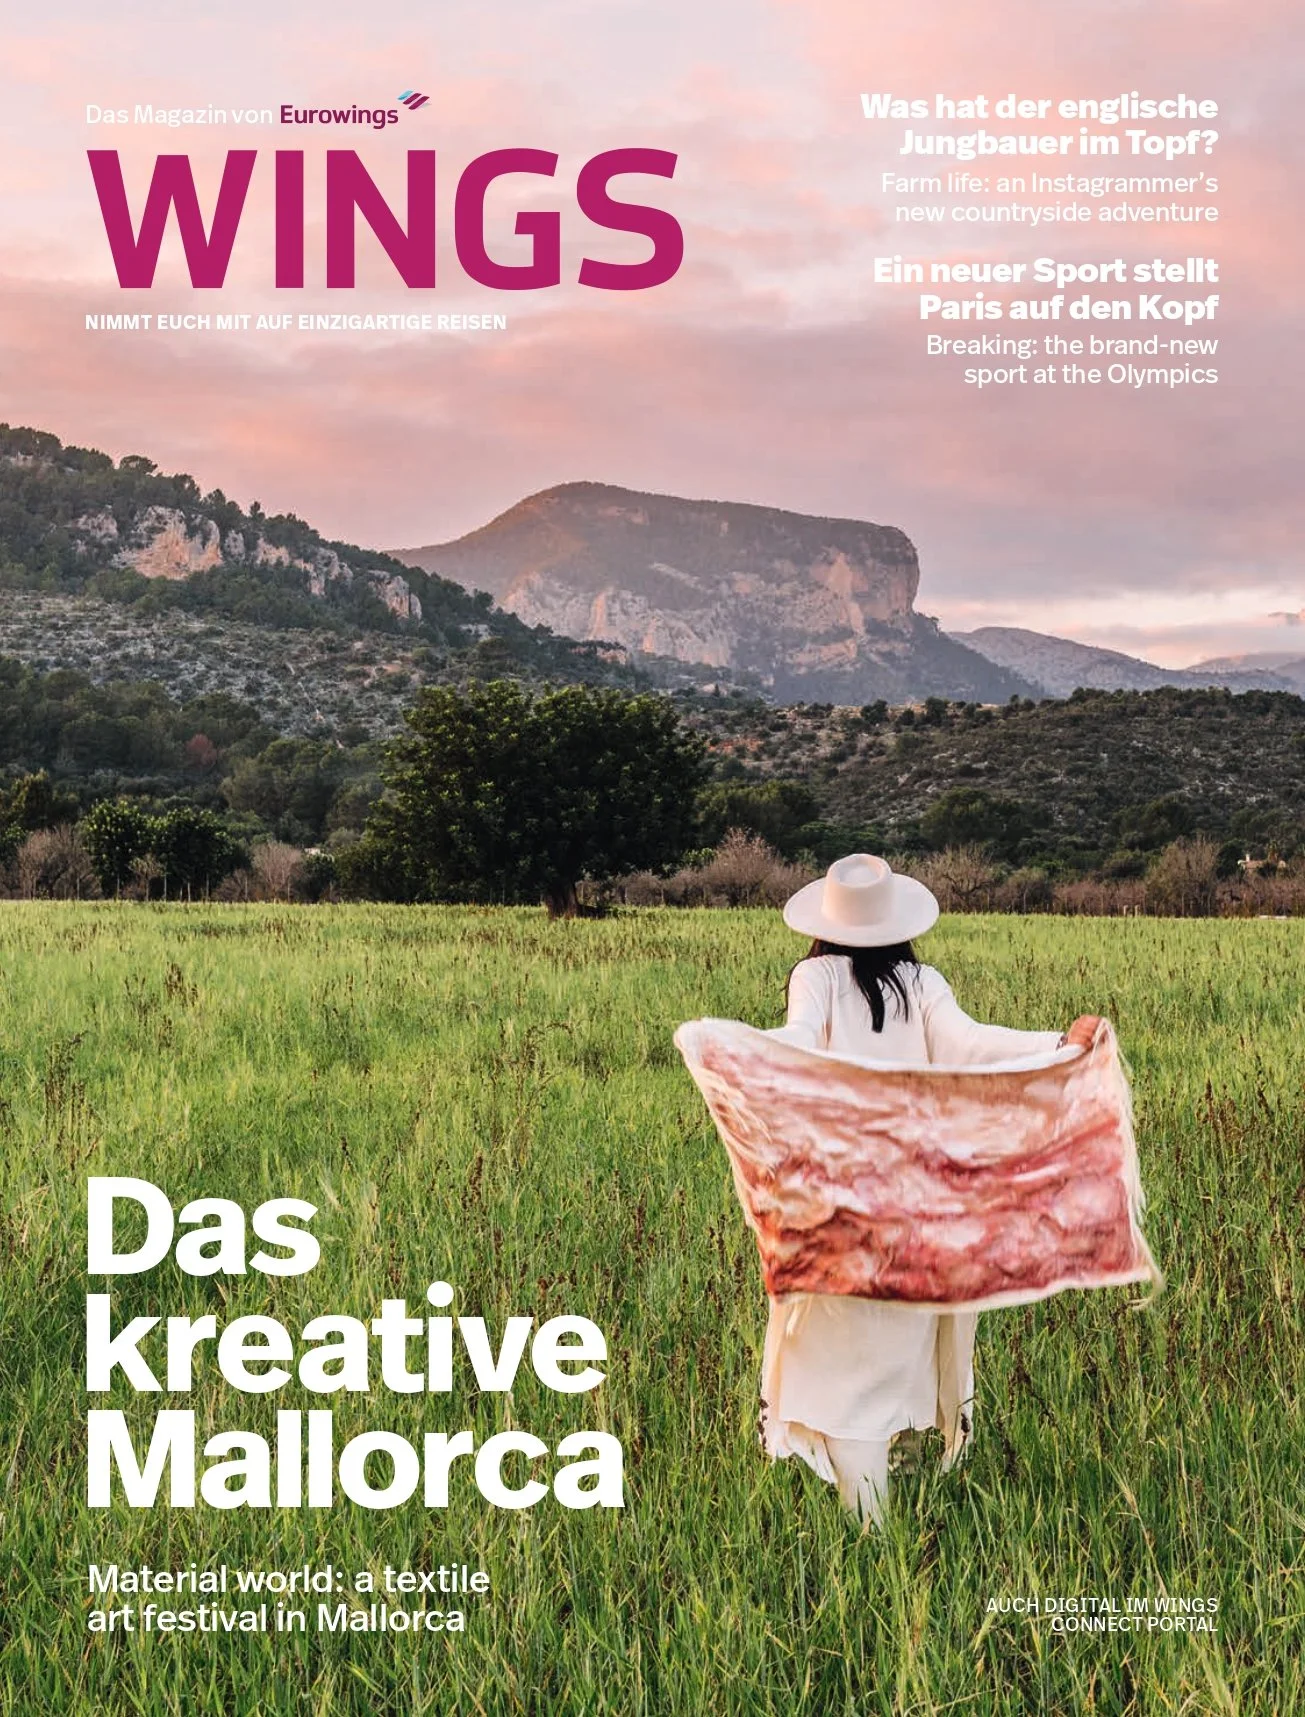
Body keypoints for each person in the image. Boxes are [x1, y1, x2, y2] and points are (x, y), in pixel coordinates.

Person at [761, 852, 1101, 1524]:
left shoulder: (816, 975)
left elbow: (797, 1039)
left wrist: (746, 1052)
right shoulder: (922, 982)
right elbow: (971, 1046)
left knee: (844, 1359)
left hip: (843, 1199)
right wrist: (1057, 1042)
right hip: (919, 1199)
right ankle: (899, 1493)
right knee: (899, 1349)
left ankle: (871, 1528)